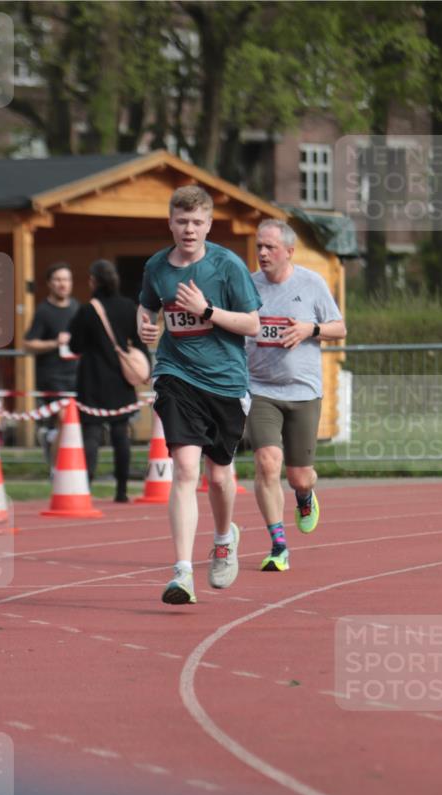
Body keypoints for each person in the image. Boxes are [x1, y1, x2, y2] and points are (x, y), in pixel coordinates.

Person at [137, 185, 262, 605]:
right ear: (170, 222)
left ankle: (225, 538)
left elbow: (252, 325)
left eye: (197, 222)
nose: (189, 229)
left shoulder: (227, 266)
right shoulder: (157, 266)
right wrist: (146, 326)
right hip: (176, 374)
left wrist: (206, 311)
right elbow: (147, 306)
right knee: (186, 470)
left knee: (219, 475)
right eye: (181, 221)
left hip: (225, 381)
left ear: (208, 224)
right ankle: (182, 573)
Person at [246, 219, 346, 572]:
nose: (262, 253)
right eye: (259, 246)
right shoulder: (248, 286)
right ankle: (278, 544)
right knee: (267, 462)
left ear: (288, 251)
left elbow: (340, 328)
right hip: (260, 390)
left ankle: (305, 497)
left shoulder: (311, 283)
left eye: (269, 247)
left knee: (299, 476)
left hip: (303, 392)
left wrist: (311, 329)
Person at [59, 259, 149, 503]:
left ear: (94, 281)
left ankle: (85, 487)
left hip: (92, 379)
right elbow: (139, 342)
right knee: (121, 435)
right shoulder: (128, 307)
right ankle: (121, 490)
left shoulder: (87, 311)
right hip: (121, 380)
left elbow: (75, 345)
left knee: (91, 435)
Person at [24, 262, 80, 472]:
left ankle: (51, 439)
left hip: (75, 373)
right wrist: (55, 342)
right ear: (49, 284)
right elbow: (28, 343)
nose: (62, 284)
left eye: (66, 279)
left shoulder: (76, 307)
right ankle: (58, 471)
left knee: (69, 425)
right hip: (51, 375)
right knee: (66, 421)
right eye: (57, 280)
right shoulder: (44, 311)